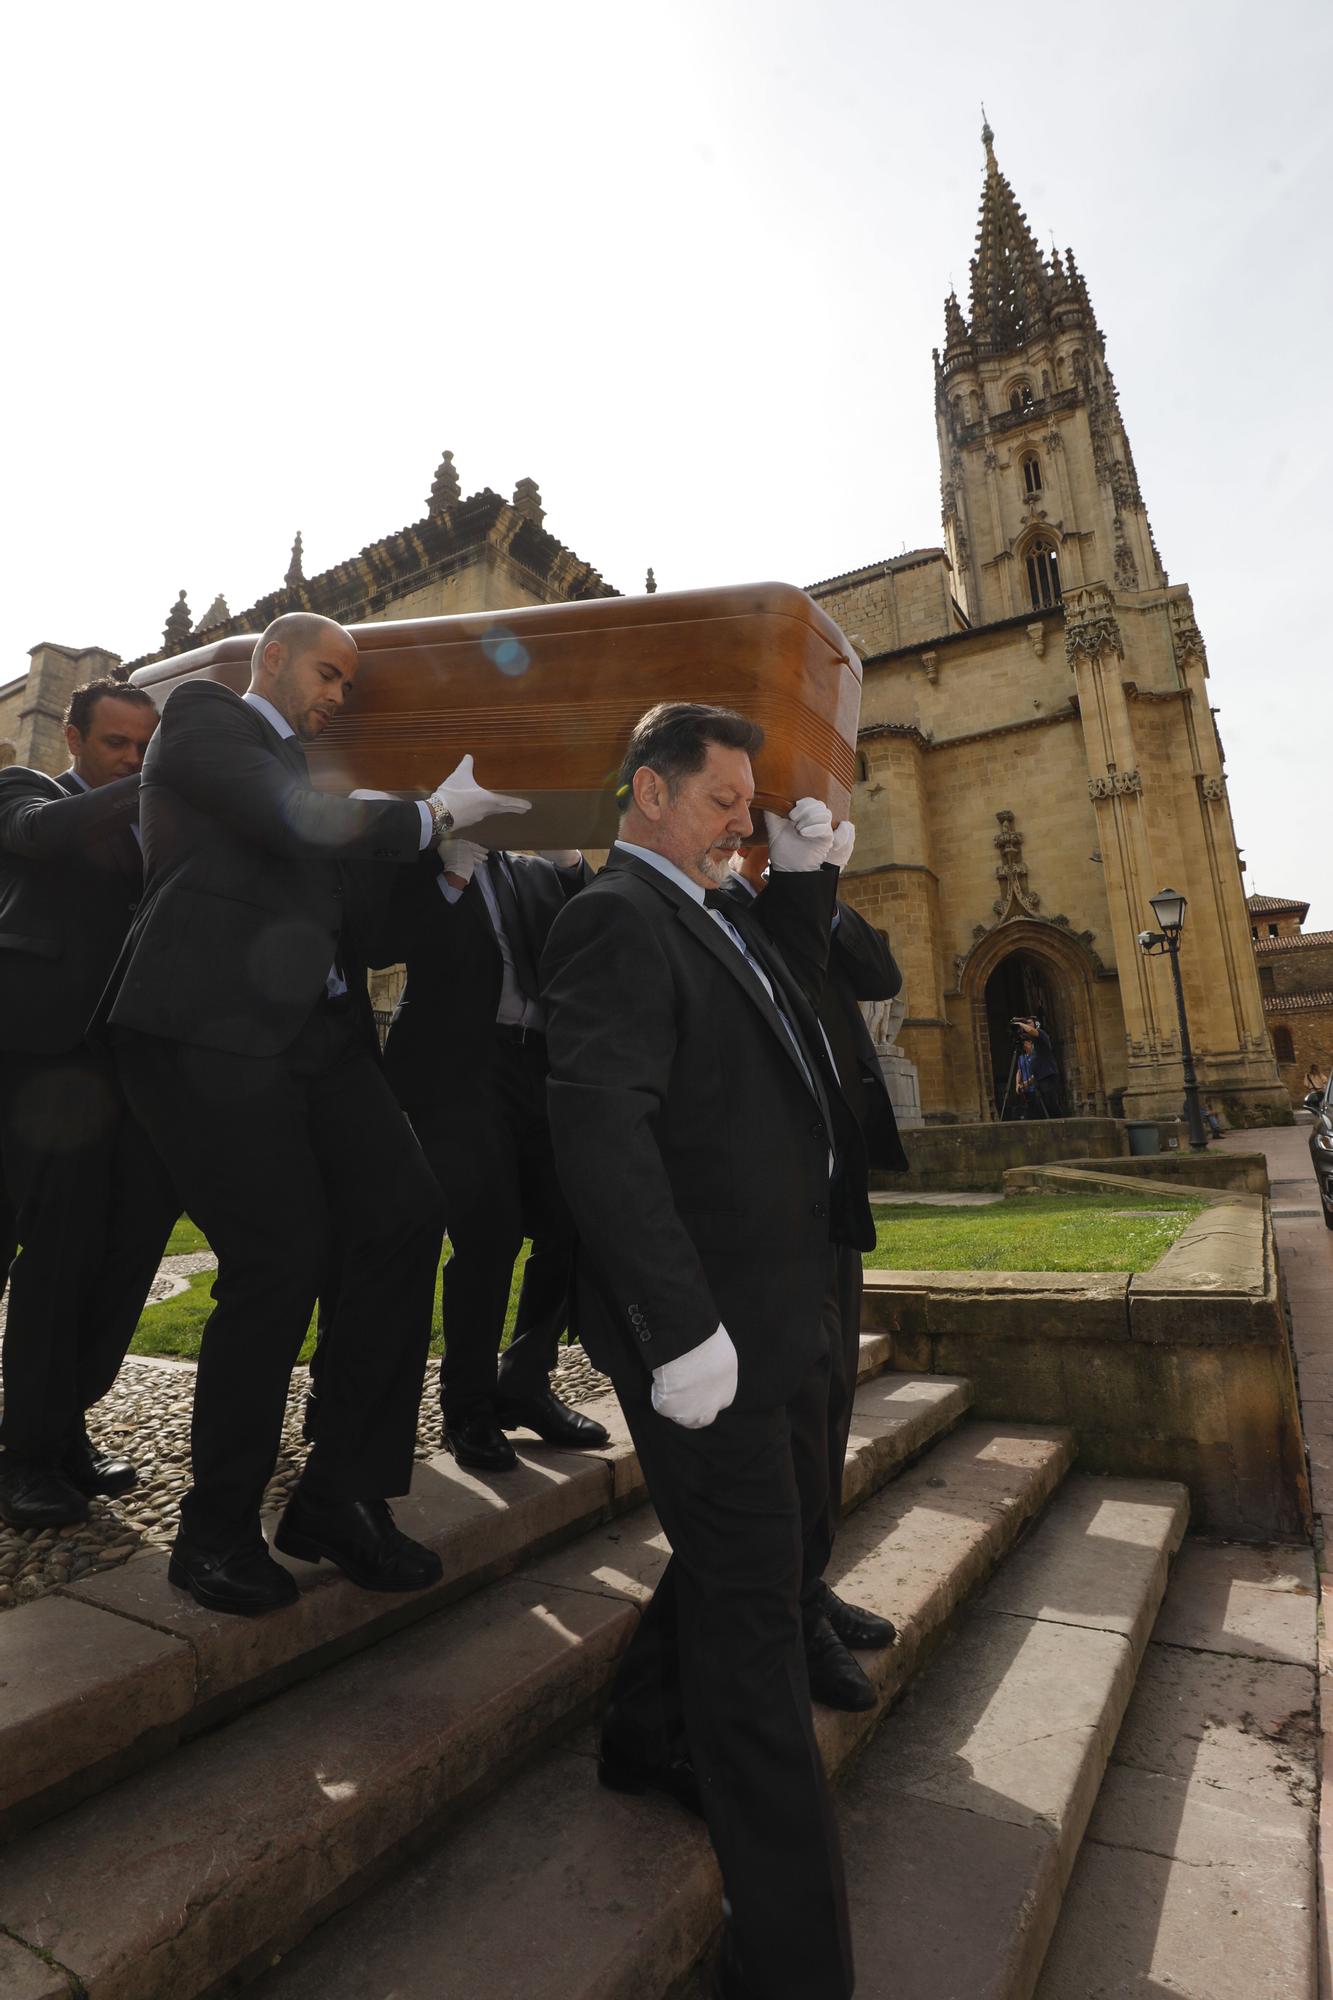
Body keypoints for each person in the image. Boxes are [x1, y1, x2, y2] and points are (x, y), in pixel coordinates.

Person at [104, 611, 530, 1617]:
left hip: (326, 1036)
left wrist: (454, 864)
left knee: (404, 1216)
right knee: (279, 1259)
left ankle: (340, 1493)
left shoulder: (320, 782)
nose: (339, 694)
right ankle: (212, 1529)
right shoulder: (207, 720)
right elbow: (289, 820)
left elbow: (369, 926)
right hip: (209, 1028)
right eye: (328, 673)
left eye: (349, 682)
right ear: (272, 658)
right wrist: (428, 815)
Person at [542, 700, 855, 2000]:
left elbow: (784, 1046)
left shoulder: (715, 914)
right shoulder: (614, 916)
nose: (748, 821)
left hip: (773, 1327)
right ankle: (793, 1970)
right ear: (651, 791)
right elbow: (602, 1133)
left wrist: (811, 880)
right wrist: (678, 1338)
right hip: (705, 1347)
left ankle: (640, 1733)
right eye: (726, 799)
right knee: (753, 1641)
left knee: (761, 1576)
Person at [728, 831, 905, 1710]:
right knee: (796, 1406)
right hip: (775, 1191)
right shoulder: (725, 913)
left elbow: (881, 975)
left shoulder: (809, 910)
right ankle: (790, 1604)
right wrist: (777, 895)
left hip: (836, 1184)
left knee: (832, 1396)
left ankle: (811, 1578)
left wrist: (817, 889)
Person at [0, 680, 180, 1530]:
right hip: (24, 1063)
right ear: (71, 738)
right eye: (118, 744)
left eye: (148, 748)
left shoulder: (155, 832)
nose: (134, 761)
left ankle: (48, 1440)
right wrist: (159, 783)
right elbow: (40, 837)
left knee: (77, 1265)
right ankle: (29, 1453)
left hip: (110, 1077)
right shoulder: (27, 792)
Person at [373, 838, 610, 1470]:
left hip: (538, 1061)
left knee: (572, 1217)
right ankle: (468, 1405)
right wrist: (450, 872)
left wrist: (569, 866)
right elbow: (383, 942)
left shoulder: (533, 872)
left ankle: (526, 1381)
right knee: (489, 1235)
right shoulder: (424, 858)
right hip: (458, 1068)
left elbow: (598, 934)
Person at [1011, 1015, 1060, 1118]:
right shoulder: (1032, 1047)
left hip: (1048, 1075)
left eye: (1028, 1023)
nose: (1026, 1025)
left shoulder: (1041, 1034)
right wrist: (1024, 1084)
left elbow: (1032, 1030)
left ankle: (1059, 1123)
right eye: (1025, 1023)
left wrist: (1020, 1023)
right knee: (1042, 1107)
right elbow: (1030, 1071)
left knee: (1051, 1103)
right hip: (1040, 1079)